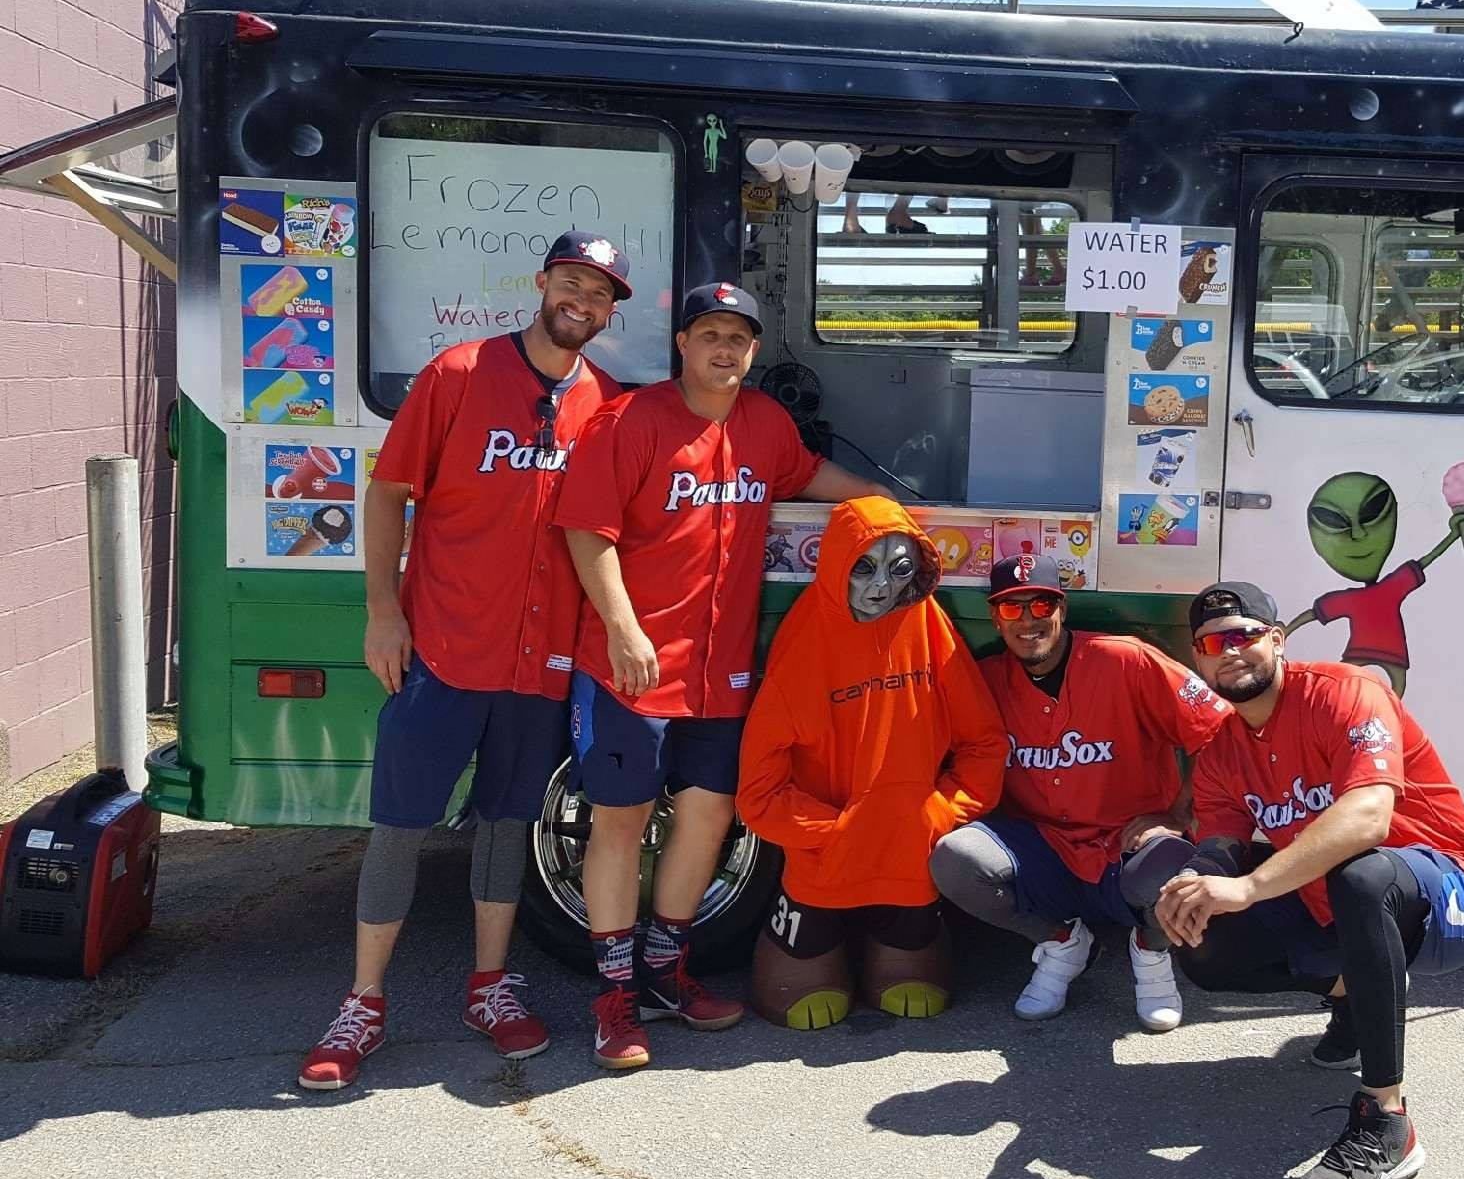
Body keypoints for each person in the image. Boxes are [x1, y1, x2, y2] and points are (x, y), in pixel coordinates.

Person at [298, 230, 629, 1091]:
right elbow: (387, 493)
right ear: (543, 282)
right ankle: (364, 1001)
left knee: (506, 821)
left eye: (599, 293)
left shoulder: (609, 402)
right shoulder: (456, 374)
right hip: (444, 646)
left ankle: (491, 984)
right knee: (400, 824)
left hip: (539, 661)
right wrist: (382, 612)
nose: (581, 303)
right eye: (571, 283)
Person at [555, 283, 884, 1070]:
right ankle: (614, 997)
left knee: (708, 818)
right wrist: (623, 629)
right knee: (620, 825)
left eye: (738, 339)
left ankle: (666, 972)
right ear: (681, 343)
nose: (725, 351)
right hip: (629, 668)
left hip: (719, 678)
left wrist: (888, 505)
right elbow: (585, 531)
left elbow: (808, 476)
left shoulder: (764, 424)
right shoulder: (630, 421)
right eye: (710, 335)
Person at [1154, 581, 1464, 1179]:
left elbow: (1369, 817)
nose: (1228, 651)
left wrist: (1250, 885)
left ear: (1278, 640)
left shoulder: (1346, 691)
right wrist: (1196, 879)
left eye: (1243, 635)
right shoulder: (1222, 751)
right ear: (1199, 661)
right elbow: (1223, 840)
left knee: (1360, 875)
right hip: (1340, 907)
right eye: (1211, 643)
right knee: (1204, 941)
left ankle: (1386, 1120)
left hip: (1452, 893)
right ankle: (1352, 994)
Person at [928, 554, 1232, 1031]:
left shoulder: (1124, 658)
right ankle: (1063, 942)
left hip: (1126, 843)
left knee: (1174, 864)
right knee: (954, 857)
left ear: (1061, 609)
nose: (1029, 621)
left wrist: (1177, 814)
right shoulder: (983, 680)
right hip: (1041, 845)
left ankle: (1152, 951)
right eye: (1012, 609)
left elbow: (1219, 731)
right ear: (995, 617)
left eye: (1041, 604)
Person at [739, 498, 1008, 1029]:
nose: (881, 587)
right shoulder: (805, 641)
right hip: (822, 863)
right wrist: (832, 832)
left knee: (915, 972)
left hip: (910, 861)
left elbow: (984, 742)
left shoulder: (928, 624)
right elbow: (759, 787)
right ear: (836, 563)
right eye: (863, 567)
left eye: (900, 569)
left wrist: (939, 814)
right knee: (802, 991)